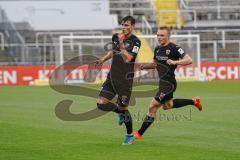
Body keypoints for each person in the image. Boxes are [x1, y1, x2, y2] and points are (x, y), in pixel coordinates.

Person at [133, 26, 202, 139]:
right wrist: (144, 66)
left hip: (168, 84)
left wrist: (175, 61)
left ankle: (139, 133)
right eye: (158, 35)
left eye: (162, 35)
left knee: (152, 107)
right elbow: (154, 64)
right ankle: (194, 101)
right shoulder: (157, 49)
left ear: (168, 36)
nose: (159, 37)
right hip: (163, 83)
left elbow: (189, 60)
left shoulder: (175, 48)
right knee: (167, 106)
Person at [94, 16, 141, 145]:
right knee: (101, 103)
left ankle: (130, 134)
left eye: (127, 25)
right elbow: (113, 52)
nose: (124, 27)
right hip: (112, 77)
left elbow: (128, 59)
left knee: (123, 108)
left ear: (132, 26)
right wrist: (102, 60)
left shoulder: (136, 42)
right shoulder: (116, 37)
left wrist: (121, 44)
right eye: (122, 25)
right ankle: (119, 112)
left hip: (125, 80)